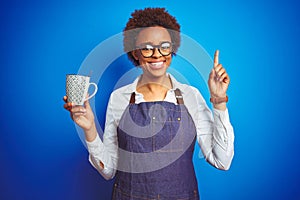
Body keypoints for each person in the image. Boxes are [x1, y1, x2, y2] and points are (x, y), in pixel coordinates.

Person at [64, 7, 234, 200]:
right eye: (147, 47)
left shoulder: (191, 96)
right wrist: (89, 129)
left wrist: (219, 101)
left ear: (172, 49)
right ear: (135, 53)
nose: (156, 54)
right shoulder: (119, 98)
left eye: (164, 45)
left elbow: (223, 161)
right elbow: (108, 170)